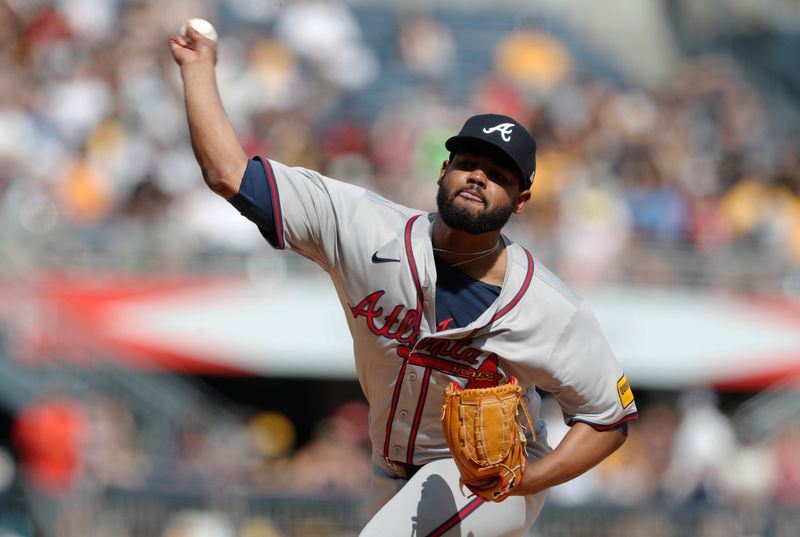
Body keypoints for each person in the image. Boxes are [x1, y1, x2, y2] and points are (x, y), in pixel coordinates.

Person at [169, 25, 638, 537]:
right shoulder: (359, 225)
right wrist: (198, 69)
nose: (478, 177)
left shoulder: (549, 307)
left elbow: (608, 417)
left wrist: (529, 480)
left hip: (482, 478)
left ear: (520, 201)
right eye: (468, 163)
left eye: (499, 175)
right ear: (443, 171)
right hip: (388, 464)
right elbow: (229, 174)